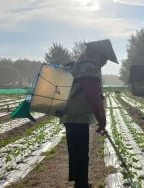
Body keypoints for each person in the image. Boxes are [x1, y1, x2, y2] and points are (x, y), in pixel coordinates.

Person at [60, 39, 118, 187]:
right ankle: (81, 184)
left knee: (77, 151)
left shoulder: (81, 64)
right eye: (104, 58)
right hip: (77, 115)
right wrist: (101, 118)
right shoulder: (88, 67)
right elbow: (92, 94)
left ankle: (80, 182)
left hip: (71, 114)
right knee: (80, 152)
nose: (105, 62)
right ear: (97, 54)